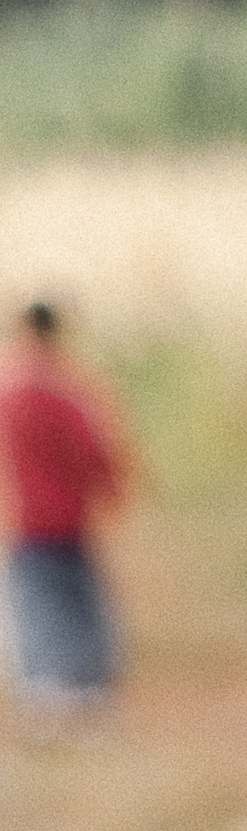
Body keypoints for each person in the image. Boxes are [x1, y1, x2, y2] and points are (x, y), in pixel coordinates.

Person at [1, 301, 128, 710]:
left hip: (22, 520)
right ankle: (85, 686)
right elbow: (94, 450)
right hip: (66, 518)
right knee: (78, 603)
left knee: (34, 607)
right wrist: (111, 489)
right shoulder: (68, 389)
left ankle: (46, 687)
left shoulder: (8, 388)